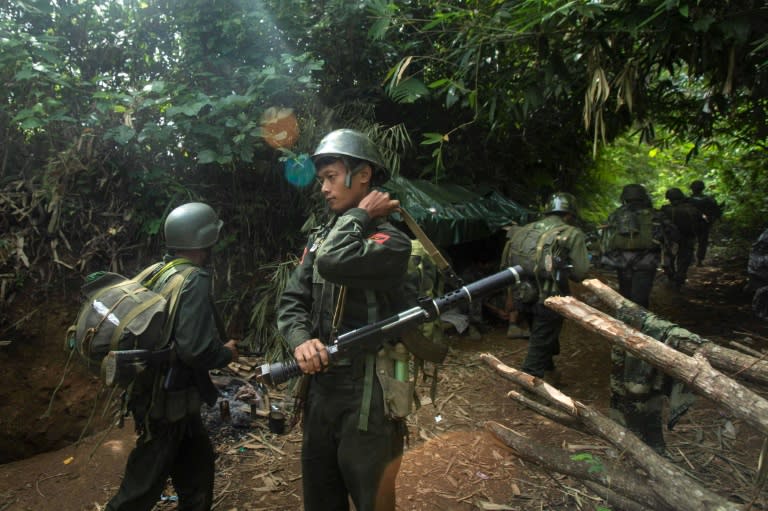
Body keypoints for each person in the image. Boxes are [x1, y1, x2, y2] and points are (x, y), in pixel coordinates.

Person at [276, 129, 412, 511]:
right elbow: (291, 300)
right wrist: (301, 340)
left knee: (372, 498)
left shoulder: (391, 241)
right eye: (321, 180)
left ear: (363, 175)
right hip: (320, 389)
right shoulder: (322, 237)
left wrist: (361, 214)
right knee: (321, 497)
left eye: (331, 177)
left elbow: (333, 262)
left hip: (368, 393)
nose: (323, 188)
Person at [106, 202, 239, 511]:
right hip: (166, 401)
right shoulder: (193, 279)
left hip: (165, 394)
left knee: (198, 463)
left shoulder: (160, 271)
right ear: (205, 242)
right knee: (142, 487)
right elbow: (195, 349)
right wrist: (225, 354)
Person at [600, 184, 678, 453]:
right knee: (640, 301)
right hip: (646, 261)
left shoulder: (616, 214)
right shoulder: (654, 215)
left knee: (624, 298)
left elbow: (607, 238)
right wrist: (668, 261)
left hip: (623, 261)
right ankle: (638, 335)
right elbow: (668, 237)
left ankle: (624, 330)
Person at [503, 192, 589, 381]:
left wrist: (510, 296)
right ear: (569, 214)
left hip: (522, 294)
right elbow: (580, 273)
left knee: (541, 336)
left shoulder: (523, 230)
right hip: (551, 297)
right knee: (541, 340)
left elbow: (505, 265)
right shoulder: (570, 233)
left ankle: (550, 372)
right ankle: (527, 385)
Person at [661, 187, 702, 290]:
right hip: (688, 238)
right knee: (683, 260)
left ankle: (672, 278)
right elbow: (700, 225)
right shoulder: (692, 209)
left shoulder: (665, 209)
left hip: (671, 239)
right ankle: (679, 279)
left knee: (668, 260)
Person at [688, 180, 722, 266]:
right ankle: (699, 260)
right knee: (702, 242)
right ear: (702, 188)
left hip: (690, 224)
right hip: (704, 223)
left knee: (688, 241)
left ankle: (690, 259)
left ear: (692, 189)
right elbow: (717, 211)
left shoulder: (687, 200)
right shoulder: (709, 199)